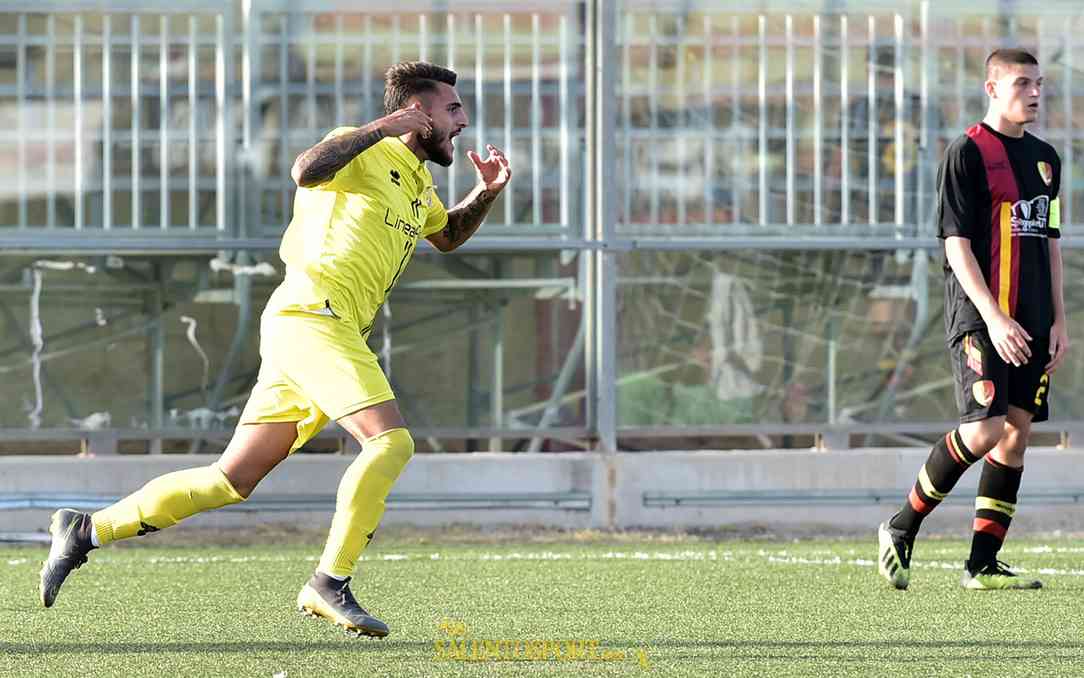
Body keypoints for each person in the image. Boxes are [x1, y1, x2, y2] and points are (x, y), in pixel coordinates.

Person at [38, 61, 512, 637]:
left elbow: (447, 236)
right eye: (453, 109)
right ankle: (328, 583)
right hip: (314, 318)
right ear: (418, 111)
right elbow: (305, 170)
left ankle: (86, 529)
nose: (462, 121)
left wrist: (485, 192)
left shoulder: (418, 180)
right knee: (390, 443)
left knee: (229, 480)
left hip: (317, 332)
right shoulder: (358, 145)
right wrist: (385, 126)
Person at [877, 48, 1068, 591]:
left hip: (1032, 320)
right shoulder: (967, 153)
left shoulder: (1047, 159)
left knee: (1017, 434)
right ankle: (902, 524)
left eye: (1039, 84)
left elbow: (1050, 243)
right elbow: (956, 246)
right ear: (992, 89)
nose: (1034, 93)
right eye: (1022, 83)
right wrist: (994, 316)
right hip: (982, 315)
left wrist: (1058, 320)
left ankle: (982, 563)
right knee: (983, 429)